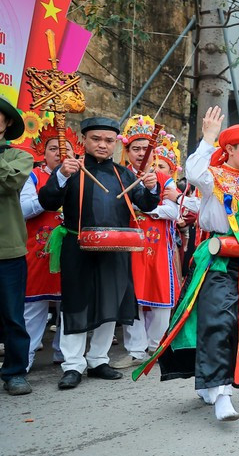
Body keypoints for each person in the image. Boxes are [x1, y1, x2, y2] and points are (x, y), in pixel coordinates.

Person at [134, 107, 239, 422]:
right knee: (218, 321)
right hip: (216, 261)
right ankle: (222, 393)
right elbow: (195, 170)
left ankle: (213, 383)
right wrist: (208, 138)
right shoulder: (212, 178)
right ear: (229, 150)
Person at [39, 116, 159, 390]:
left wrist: (151, 186)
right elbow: (47, 201)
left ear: (116, 143)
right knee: (76, 303)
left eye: (108, 140)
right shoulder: (71, 170)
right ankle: (73, 364)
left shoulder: (123, 174)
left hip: (115, 248)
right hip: (78, 247)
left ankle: (98, 359)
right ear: (84, 141)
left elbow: (147, 204)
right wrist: (61, 174)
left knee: (111, 302)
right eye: (96, 139)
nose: (103, 145)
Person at [117, 115, 182, 369]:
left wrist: (148, 209)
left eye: (146, 148)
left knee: (160, 294)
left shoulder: (164, 179)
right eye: (136, 148)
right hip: (131, 244)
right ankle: (135, 350)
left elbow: (174, 212)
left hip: (157, 246)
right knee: (133, 295)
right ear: (127, 151)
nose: (141, 153)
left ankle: (158, 345)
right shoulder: (121, 175)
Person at [19, 125, 75, 372]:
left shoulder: (81, 178)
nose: (60, 154)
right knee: (34, 305)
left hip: (71, 250)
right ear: (43, 151)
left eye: (66, 150)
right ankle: (25, 356)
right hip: (38, 250)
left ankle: (64, 353)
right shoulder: (33, 176)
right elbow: (23, 209)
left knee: (70, 303)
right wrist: (52, 192)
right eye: (54, 149)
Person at [0, 98, 34, 395]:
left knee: (12, 314)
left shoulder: (19, 157)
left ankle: (14, 372)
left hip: (7, 249)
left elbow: (9, 184)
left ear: (7, 123)